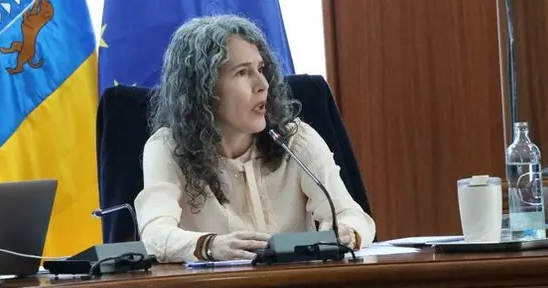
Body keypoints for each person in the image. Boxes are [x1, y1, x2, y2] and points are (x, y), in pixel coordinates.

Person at [135, 14, 376, 263]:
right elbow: (154, 236)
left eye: (260, 69)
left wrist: (348, 231)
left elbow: (352, 215)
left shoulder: (293, 137)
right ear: (203, 89)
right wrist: (210, 245)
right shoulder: (169, 147)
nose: (263, 84)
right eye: (242, 73)